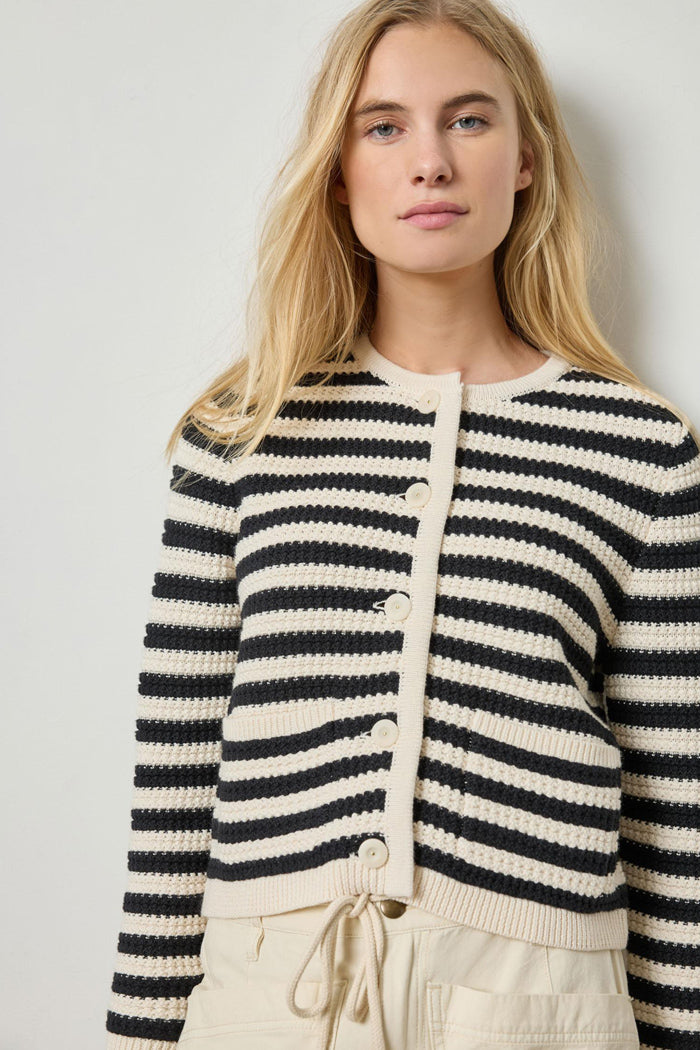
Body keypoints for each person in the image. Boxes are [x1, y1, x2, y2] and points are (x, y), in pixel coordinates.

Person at [105, 2, 700, 1049]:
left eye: (469, 120)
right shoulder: (241, 434)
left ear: (526, 158)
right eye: (384, 127)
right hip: (269, 995)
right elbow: (177, 767)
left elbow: (675, 804)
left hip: (539, 1000)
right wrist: (141, 1030)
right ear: (339, 172)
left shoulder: (639, 447)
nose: (430, 161)